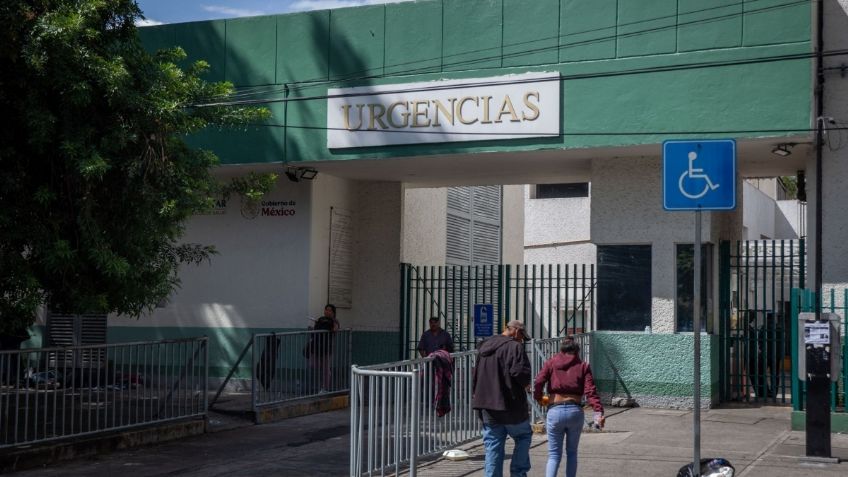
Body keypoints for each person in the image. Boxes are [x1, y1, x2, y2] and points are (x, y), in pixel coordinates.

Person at [533, 336, 604, 477]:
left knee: (554, 455)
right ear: (577, 351)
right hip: (575, 411)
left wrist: (538, 397)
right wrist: (598, 412)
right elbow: (591, 391)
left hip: (555, 410)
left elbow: (539, 381)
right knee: (572, 453)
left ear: (561, 350)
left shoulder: (551, 363)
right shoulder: (583, 366)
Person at [472, 320, 532, 477]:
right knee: (523, 436)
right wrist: (527, 385)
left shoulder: (485, 346)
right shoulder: (514, 347)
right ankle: (518, 473)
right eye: (522, 336)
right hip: (511, 405)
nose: (521, 340)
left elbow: (476, 374)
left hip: (487, 406)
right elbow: (520, 373)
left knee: (493, 445)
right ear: (516, 331)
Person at [308, 304, 338, 392]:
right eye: (326, 309)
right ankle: (325, 373)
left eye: (329, 310)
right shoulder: (320, 319)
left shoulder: (334, 321)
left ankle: (324, 389)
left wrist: (332, 324)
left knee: (326, 369)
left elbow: (335, 329)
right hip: (316, 346)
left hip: (326, 347)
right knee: (312, 364)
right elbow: (315, 330)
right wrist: (315, 324)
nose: (327, 312)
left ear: (333, 312)